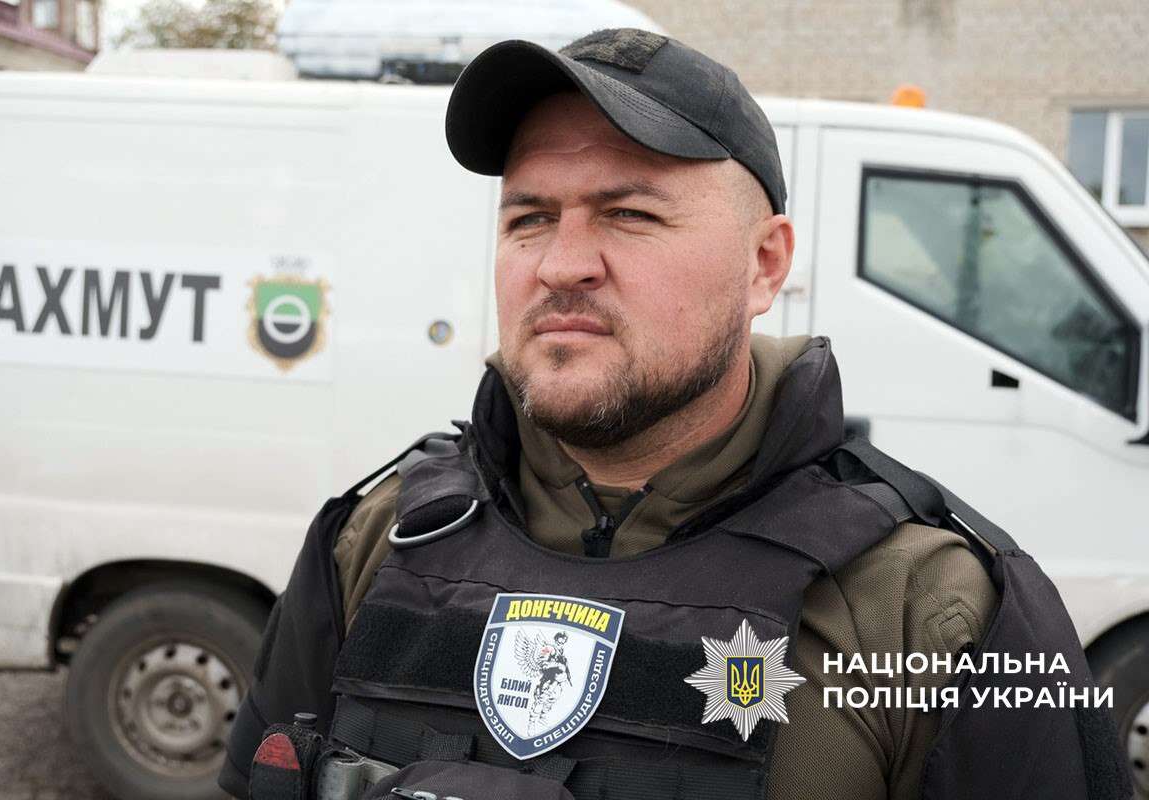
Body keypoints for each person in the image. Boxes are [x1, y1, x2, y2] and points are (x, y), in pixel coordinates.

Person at [221, 28, 1130, 800]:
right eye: (529, 218)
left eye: (629, 214)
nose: (561, 264)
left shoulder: (937, 610)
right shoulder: (376, 541)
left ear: (765, 265)